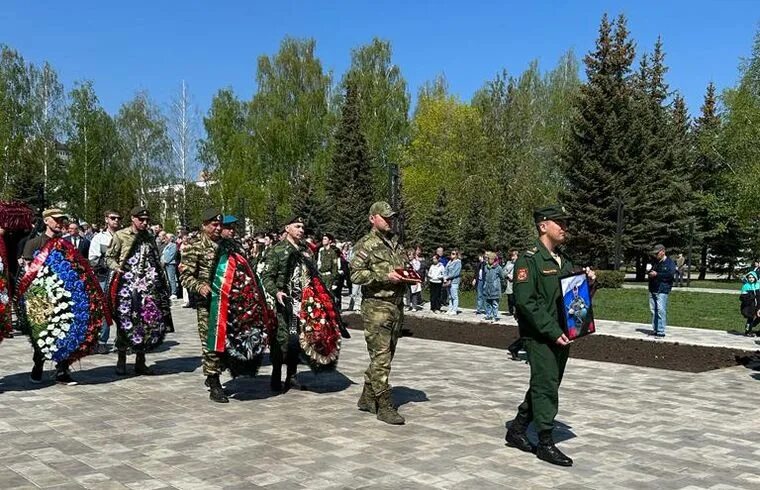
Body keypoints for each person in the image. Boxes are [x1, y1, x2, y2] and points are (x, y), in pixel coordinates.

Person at [504, 204, 595, 467]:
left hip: (563, 334)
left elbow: (571, 299)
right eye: (559, 223)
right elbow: (525, 303)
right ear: (543, 226)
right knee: (546, 385)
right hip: (541, 335)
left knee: (548, 383)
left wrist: (588, 283)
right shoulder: (529, 260)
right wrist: (553, 331)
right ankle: (545, 442)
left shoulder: (563, 260)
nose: (564, 228)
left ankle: (518, 429)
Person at [350, 201, 415, 425]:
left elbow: (403, 267)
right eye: (385, 217)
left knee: (386, 356)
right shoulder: (365, 244)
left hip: (396, 305)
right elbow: (355, 275)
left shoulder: (395, 243)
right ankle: (384, 405)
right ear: (372, 218)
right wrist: (384, 276)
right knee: (382, 358)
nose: (389, 221)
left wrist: (408, 276)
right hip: (376, 306)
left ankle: (367, 397)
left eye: (391, 218)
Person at [106, 207, 170, 376]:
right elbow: (108, 257)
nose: (145, 223)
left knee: (145, 322)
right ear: (133, 219)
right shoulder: (121, 235)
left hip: (146, 287)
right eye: (141, 219)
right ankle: (121, 359)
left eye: (147, 220)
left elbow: (155, 258)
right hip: (126, 287)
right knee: (125, 320)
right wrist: (117, 268)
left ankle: (140, 360)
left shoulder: (149, 237)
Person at [179, 209, 231, 403]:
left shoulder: (227, 245)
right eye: (213, 225)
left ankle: (215, 373)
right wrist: (199, 286)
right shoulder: (195, 247)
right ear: (204, 225)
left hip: (228, 302)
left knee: (226, 341)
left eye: (220, 225)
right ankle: (214, 381)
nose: (217, 228)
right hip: (207, 304)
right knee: (211, 342)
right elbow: (185, 275)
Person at [22, 208, 78, 385]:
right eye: (56, 219)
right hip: (42, 297)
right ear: (46, 221)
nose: (60, 223)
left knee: (64, 332)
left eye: (62, 220)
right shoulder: (34, 243)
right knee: (43, 332)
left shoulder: (66, 244)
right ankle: (38, 365)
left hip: (63, 296)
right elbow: (27, 273)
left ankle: (62, 370)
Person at [260, 217, 309, 393]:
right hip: (283, 304)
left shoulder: (304, 250)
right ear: (287, 228)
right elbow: (267, 277)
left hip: (301, 302)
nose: (301, 230)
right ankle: (276, 375)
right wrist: (277, 292)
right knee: (281, 341)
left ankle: (292, 376)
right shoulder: (277, 250)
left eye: (302, 227)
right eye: (297, 226)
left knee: (297, 340)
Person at [88, 210, 122, 353]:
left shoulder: (124, 236)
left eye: (118, 218)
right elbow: (93, 259)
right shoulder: (99, 238)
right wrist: (108, 263)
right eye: (113, 218)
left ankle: (122, 340)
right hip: (104, 277)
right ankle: (102, 340)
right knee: (104, 308)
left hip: (122, 277)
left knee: (123, 308)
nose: (116, 221)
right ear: (106, 219)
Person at [647, 244, 675, 338]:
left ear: (663, 252)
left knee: (660, 310)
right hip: (653, 289)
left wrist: (657, 274)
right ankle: (655, 329)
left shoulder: (669, 262)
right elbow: (651, 271)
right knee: (653, 310)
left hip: (662, 289)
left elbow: (670, 275)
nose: (656, 255)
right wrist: (650, 273)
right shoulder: (655, 262)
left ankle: (661, 331)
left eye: (657, 253)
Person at [483, 252, 506, 322]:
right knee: (488, 302)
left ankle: (495, 316)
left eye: (489, 259)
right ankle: (488, 315)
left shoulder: (498, 268)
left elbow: (502, 277)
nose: (487, 260)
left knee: (495, 303)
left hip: (495, 288)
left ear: (493, 259)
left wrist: (501, 286)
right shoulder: (486, 267)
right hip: (487, 287)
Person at [317, 233, 340, 297]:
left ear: (330, 241)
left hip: (328, 277)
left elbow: (335, 267)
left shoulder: (333, 253)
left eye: (325, 239)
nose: (323, 240)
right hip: (321, 276)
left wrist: (335, 281)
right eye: (323, 239)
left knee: (328, 296)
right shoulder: (321, 251)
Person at [740, 271, 760, 336]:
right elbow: (742, 298)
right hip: (750, 306)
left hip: (757, 306)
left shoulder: (758, 285)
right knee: (750, 319)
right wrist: (751, 296)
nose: (751, 279)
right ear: (747, 278)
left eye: (752, 277)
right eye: (749, 277)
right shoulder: (745, 286)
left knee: (758, 317)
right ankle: (748, 331)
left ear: (755, 278)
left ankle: (754, 325)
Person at [444, 250, 462, 315]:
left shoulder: (458, 262)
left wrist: (448, 277)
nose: (452, 255)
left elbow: (456, 273)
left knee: (454, 296)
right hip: (448, 281)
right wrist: (444, 277)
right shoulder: (449, 262)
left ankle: (454, 310)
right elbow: (445, 270)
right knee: (450, 296)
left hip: (454, 281)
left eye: (453, 254)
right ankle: (450, 308)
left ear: (456, 255)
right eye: (451, 253)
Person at [161, 233, 178, 299]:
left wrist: (165, 261)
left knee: (172, 278)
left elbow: (171, 255)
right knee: (168, 279)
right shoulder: (166, 246)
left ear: (170, 238)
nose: (165, 239)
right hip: (165, 264)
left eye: (166, 238)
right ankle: (170, 292)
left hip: (170, 264)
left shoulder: (173, 245)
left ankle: (174, 293)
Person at [505, 250, 518, 316]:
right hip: (509, 284)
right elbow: (503, 272)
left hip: (516, 284)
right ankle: (510, 311)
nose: (512, 257)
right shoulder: (508, 263)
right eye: (512, 256)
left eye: (514, 256)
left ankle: (517, 311)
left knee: (516, 298)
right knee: (510, 298)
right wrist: (508, 275)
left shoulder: (519, 263)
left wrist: (514, 277)